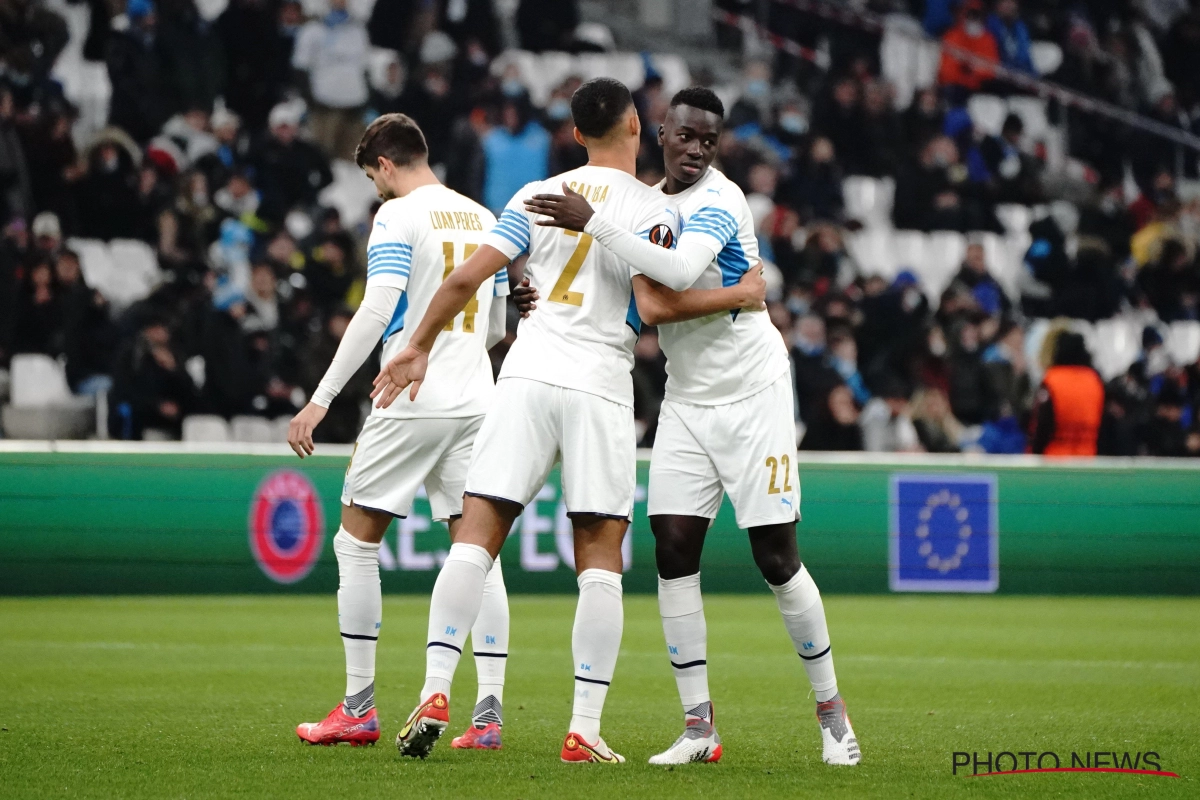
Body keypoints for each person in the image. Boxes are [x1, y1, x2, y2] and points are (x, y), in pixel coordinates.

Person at [373, 79, 754, 764]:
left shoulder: (532, 196)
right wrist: (741, 292)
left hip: (525, 373)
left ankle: (435, 687)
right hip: (600, 383)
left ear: (575, 134)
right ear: (639, 127)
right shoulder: (656, 206)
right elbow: (661, 299)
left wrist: (416, 347)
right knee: (599, 559)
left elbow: (465, 281)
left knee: (476, 537)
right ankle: (582, 727)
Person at [520, 87, 861, 766]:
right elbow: (647, 301)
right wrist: (735, 293)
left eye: (709, 141)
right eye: (686, 136)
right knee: (672, 549)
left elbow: (672, 270)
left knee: (775, 556)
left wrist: (596, 223)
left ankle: (833, 717)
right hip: (687, 398)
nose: (696, 150)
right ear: (662, 132)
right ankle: (700, 728)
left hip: (753, 392)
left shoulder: (720, 200)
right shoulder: (646, 203)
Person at [288, 114, 512, 749]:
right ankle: (489, 715)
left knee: (356, 542)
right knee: (476, 551)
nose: (376, 190)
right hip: (477, 399)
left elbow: (377, 308)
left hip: (410, 395)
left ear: (384, 164)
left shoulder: (398, 215)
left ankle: (359, 706)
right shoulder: (482, 216)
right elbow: (496, 329)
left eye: (372, 177)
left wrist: (321, 400)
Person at [1029, 331, 1105, 456]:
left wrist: (1035, 452)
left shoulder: (1052, 379)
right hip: (1088, 456)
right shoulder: (1094, 380)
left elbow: (1042, 423)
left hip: (1055, 456)